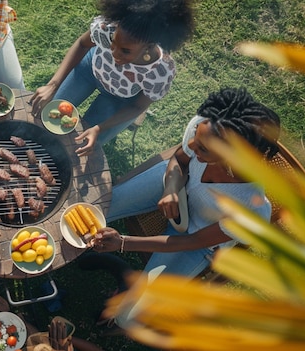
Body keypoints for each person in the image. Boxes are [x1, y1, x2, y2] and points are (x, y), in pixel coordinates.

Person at [85, 87, 281, 324]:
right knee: (95, 208)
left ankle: (122, 279)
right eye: (195, 138)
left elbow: (192, 242)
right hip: (176, 185)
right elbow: (178, 159)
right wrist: (170, 189)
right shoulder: (207, 126)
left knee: (129, 318)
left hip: (195, 237)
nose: (191, 145)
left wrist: (123, 243)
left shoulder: (252, 207)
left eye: (203, 149)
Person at [29, 0, 195, 156]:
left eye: (125, 51)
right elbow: (82, 44)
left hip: (119, 98)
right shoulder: (106, 28)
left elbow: (138, 107)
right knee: (47, 116)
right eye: (112, 43)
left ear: (149, 47)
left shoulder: (160, 71)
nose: (114, 54)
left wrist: (99, 128)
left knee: (82, 145)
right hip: (89, 71)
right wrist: (53, 85)